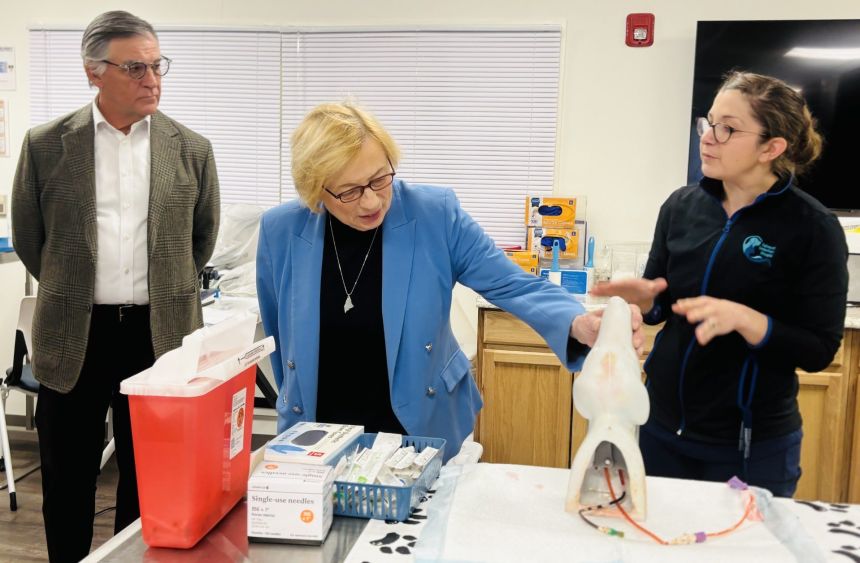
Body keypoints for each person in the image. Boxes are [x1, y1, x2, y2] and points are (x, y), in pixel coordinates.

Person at [257, 102, 644, 461]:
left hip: (419, 429)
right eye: (350, 191)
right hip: (319, 438)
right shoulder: (281, 231)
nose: (372, 201)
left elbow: (513, 283)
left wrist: (577, 322)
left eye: (379, 179)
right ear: (316, 191)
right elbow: (281, 340)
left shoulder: (433, 215)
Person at [11, 11, 219, 562]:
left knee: (149, 478)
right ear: (93, 73)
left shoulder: (191, 149)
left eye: (157, 66)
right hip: (74, 332)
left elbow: (200, 242)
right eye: (135, 68)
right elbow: (32, 241)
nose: (152, 79)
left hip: (159, 337)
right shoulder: (46, 145)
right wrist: (73, 284)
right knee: (68, 477)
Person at [592, 71, 848, 497]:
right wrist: (647, 299)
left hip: (752, 447)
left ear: (772, 147)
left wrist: (748, 320)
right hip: (661, 430)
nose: (708, 137)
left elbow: (819, 349)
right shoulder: (681, 205)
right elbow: (664, 305)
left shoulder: (813, 228)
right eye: (707, 122)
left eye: (727, 128)